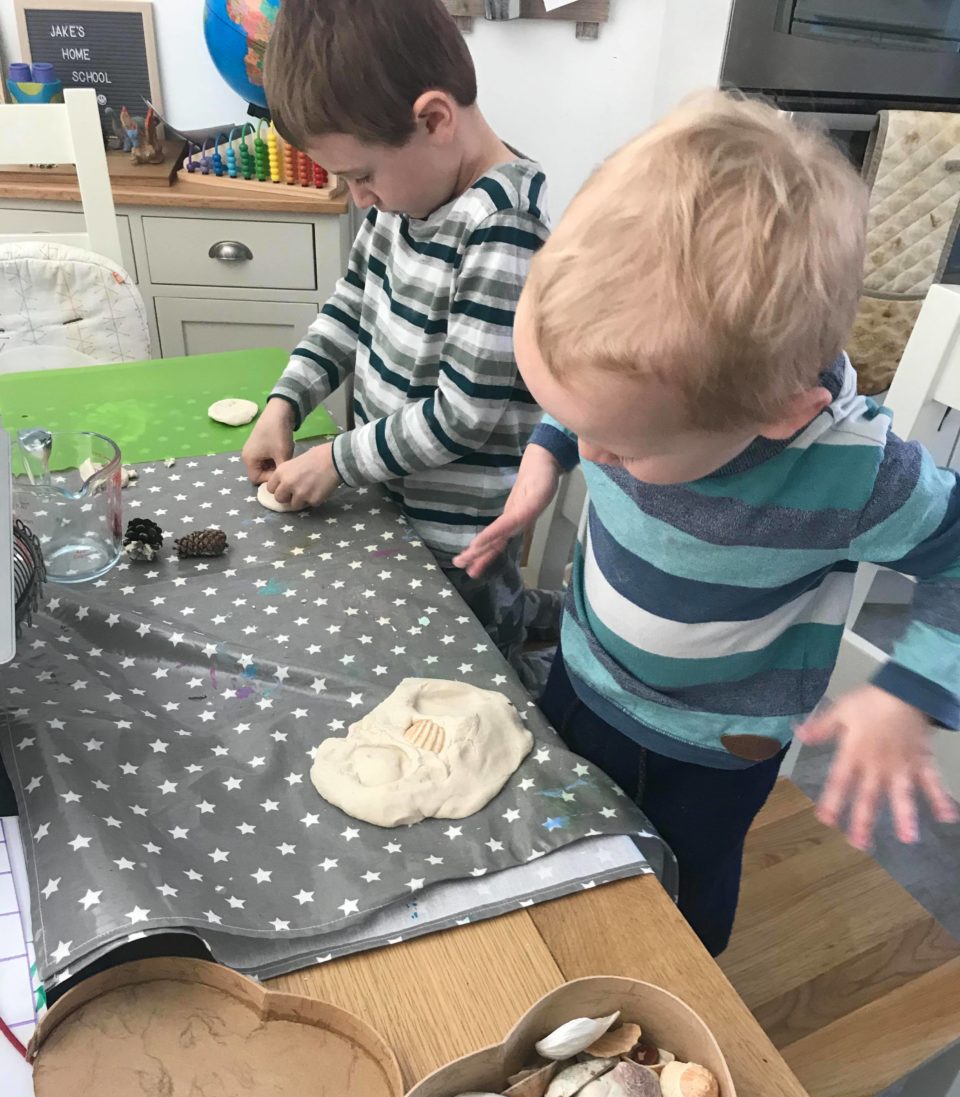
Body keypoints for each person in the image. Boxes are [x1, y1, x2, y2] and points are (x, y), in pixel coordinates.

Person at [454, 91, 960, 955]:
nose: (592, 451)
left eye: (612, 445)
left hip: (710, 749)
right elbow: (591, 401)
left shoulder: (850, 472)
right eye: (576, 423)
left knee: (679, 901)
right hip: (582, 674)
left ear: (779, 416)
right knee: (572, 847)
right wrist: (548, 456)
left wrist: (907, 696)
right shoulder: (637, 399)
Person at [241, 0, 554, 684]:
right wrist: (285, 405)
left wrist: (337, 460)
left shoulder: (503, 232)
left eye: (360, 175)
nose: (358, 198)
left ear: (435, 120)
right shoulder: (406, 201)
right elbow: (348, 308)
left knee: (458, 697)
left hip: (456, 552)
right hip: (392, 517)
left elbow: (461, 415)